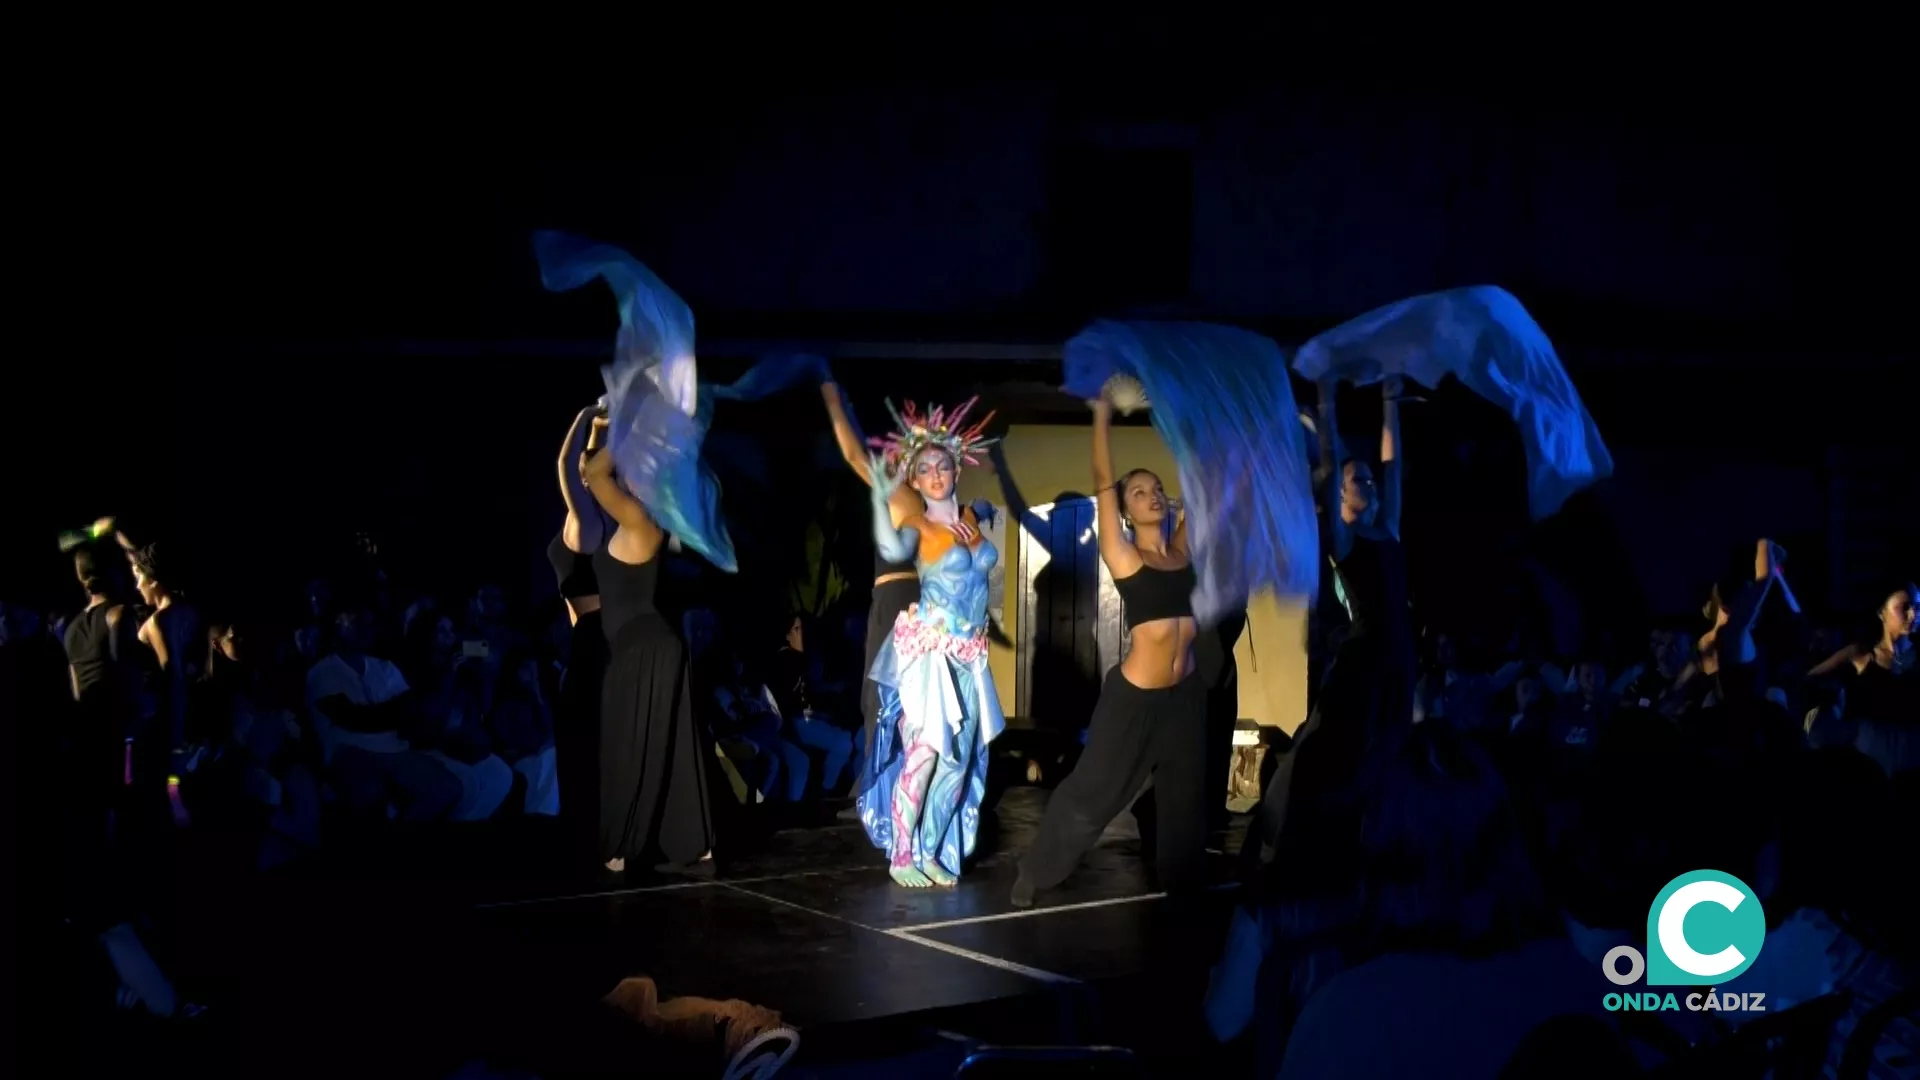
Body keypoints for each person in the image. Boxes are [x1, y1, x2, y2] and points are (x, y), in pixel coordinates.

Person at [1013, 385, 1208, 906]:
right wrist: (1102, 411)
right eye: (1140, 491)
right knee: (1093, 795)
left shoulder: (1182, 549)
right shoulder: (1125, 556)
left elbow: (1201, 479)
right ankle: (1037, 870)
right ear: (1124, 512)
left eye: (1157, 488)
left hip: (1184, 699)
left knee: (1185, 800)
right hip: (1134, 702)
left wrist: (1186, 422)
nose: (1152, 494)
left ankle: (1183, 887)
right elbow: (1104, 480)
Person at [1247, 375, 1413, 870]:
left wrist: (1389, 404)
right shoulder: (1345, 538)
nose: (1369, 484)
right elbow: (1329, 464)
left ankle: (1373, 843)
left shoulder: (1389, 529)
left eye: (1368, 479)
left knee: (1389, 753)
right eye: (1356, 480)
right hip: (1365, 660)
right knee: (1335, 750)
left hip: (1399, 659)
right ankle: (1292, 837)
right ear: (1340, 498)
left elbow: (1394, 466)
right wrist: (1325, 403)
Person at [856, 399, 1005, 888]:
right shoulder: (918, 525)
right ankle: (901, 854)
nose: (937, 473)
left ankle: (931, 848)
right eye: (925, 468)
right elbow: (868, 476)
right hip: (931, 653)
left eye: (944, 464)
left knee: (958, 763)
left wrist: (976, 539)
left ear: (957, 468)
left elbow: (982, 585)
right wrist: (836, 403)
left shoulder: (969, 518)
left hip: (970, 655)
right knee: (924, 753)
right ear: (914, 480)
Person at [579, 415, 715, 874]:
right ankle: (693, 844)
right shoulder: (639, 517)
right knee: (672, 745)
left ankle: (621, 846)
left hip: (642, 647)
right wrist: (597, 430)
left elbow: (595, 474)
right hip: (653, 644)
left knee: (628, 745)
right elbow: (588, 470)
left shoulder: (639, 517)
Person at [818, 377, 923, 804]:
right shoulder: (918, 498)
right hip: (903, 600)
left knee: (882, 699)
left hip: (898, 602)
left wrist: (832, 401)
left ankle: (880, 794)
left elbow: (854, 454)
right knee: (891, 700)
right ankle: (888, 789)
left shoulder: (904, 495)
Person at [550, 402, 612, 855]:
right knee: (591, 737)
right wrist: (598, 427)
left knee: (586, 737)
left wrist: (584, 414)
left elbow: (566, 467)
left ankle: (592, 827)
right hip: (592, 639)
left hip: (593, 641)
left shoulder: (586, 521)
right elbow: (588, 468)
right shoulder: (601, 520)